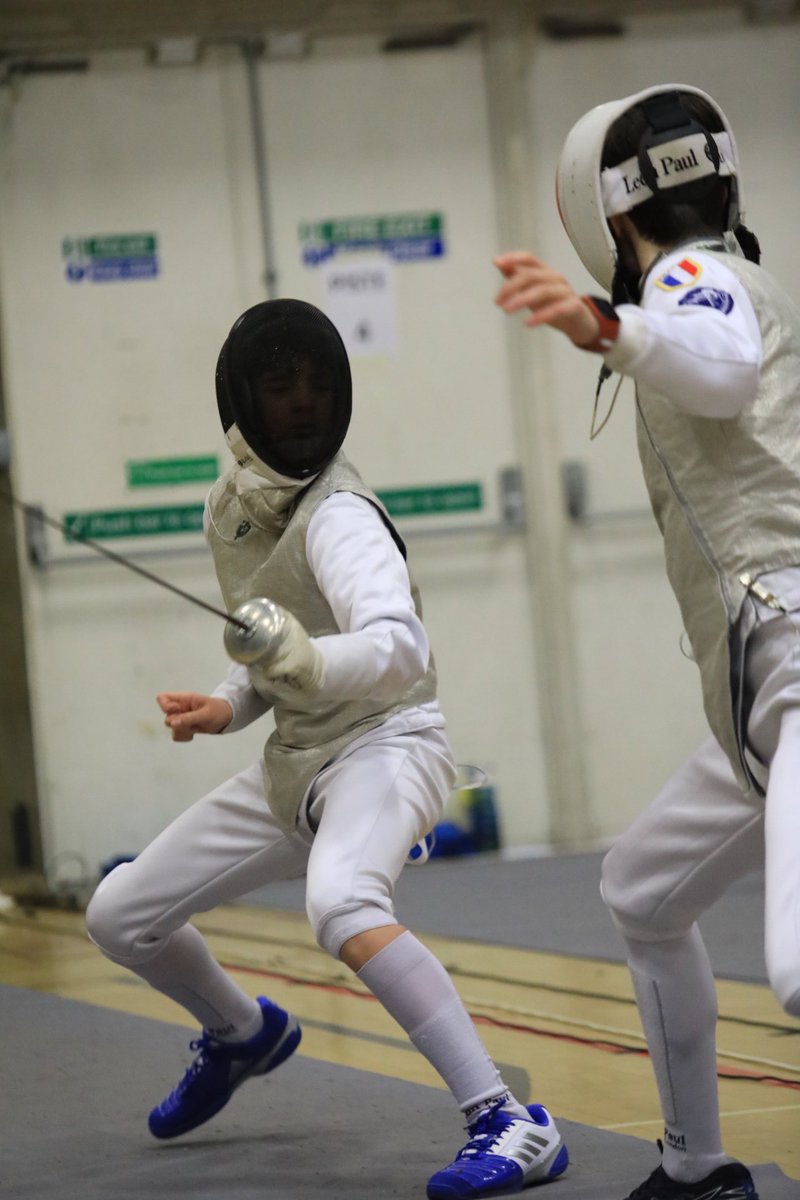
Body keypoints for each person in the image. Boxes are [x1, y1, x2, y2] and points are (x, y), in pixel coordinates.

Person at [85, 298, 569, 1199]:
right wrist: (229, 705)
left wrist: (303, 661)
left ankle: (509, 1120)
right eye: (281, 385)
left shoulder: (339, 513)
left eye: (317, 383)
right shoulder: (233, 506)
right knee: (119, 915)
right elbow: (272, 641)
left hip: (389, 745)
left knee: (342, 903)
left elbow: (398, 647)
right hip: (299, 762)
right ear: (242, 401)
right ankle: (242, 1034)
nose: (304, 401)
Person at [494, 83, 800, 1200]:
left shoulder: (687, 279)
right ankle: (696, 1169)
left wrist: (606, 326)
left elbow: (717, 371)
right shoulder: (734, 280)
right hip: (759, 696)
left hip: (793, 663)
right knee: (643, 890)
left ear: (613, 219)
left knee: (798, 965)